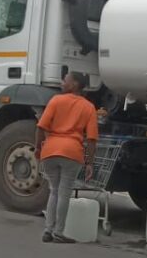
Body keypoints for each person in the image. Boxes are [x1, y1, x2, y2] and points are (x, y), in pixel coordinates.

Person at [34, 72, 99, 243]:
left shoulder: (56, 100)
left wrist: (38, 149)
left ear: (74, 85)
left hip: (50, 150)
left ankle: (48, 230)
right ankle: (58, 232)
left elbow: (41, 127)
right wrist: (90, 162)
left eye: (66, 80)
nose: (62, 82)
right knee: (64, 193)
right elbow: (92, 139)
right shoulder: (89, 107)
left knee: (53, 191)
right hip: (72, 152)